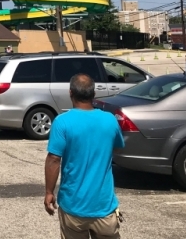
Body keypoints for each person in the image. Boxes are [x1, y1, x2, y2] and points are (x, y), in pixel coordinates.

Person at [44, 74, 125, 239]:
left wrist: (49, 192)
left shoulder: (62, 122)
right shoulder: (109, 119)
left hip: (73, 205)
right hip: (104, 206)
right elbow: (117, 149)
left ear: (70, 93)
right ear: (93, 94)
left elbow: (53, 160)